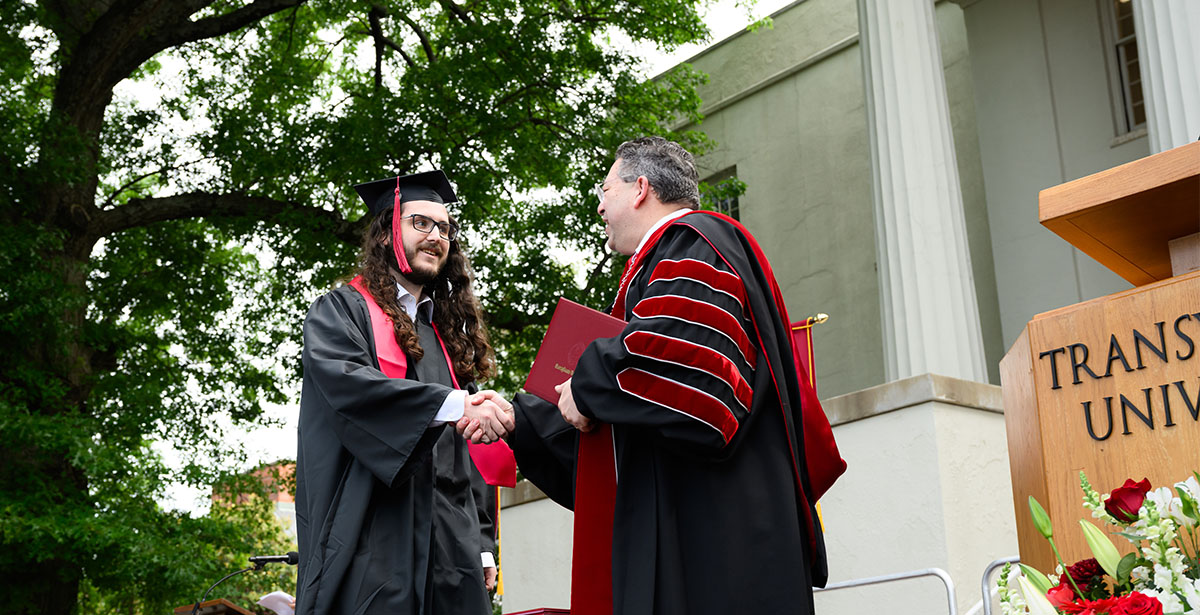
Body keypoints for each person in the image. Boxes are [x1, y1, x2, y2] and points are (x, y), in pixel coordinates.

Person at [488, 137, 846, 615]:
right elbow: (630, 438)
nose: (599, 208)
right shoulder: (663, 265)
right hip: (695, 523)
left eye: (605, 190)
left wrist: (588, 383)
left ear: (640, 189)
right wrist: (522, 420)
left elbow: (692, 375)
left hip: (719, 541)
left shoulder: (694, 240)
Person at [295, 170, 515, 615]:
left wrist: (484, 543)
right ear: (383, 234)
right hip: (375, 534)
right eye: (420, 223)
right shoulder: (341, 312)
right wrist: (452, 404)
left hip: (452, 545)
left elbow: (469, 454)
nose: (436, 236)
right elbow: (351, 389)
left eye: (445, 228)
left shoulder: (446, 334)